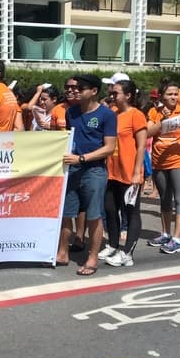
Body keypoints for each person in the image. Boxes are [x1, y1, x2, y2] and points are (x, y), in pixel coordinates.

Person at [55, 74, 117, 276]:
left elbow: (109, 148)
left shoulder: (107, 115)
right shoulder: (71, 112)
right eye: (73, 87)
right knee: (66, 212)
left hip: (94, 170)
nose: (75, 91)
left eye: (80, 88)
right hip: (72, 169)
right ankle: (62, 252)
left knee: (93, 215)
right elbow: (68, 140)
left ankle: (92, 258)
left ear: (94, 91)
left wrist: (82, 158)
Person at [146, 81, 180, 254]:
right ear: (162, 96)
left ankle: (176, 239)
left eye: (176, 94)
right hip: (159, 160)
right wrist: (162, 120)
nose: (173, 97)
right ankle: (165, 233)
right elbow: (148, 133)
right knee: (165, 198)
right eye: (169, 94)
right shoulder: (154, 112)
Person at [100, 80, 146, 268]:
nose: (112, 96)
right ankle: (113, 244)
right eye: (111, 93)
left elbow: (141, 146)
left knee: (131, 212)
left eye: (116, 93)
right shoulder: (113, 114)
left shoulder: (136, 115)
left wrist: (136, 172)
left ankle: (127, 253)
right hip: (112, 171)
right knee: (110, 209)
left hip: (129, 172)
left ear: (128, 95)